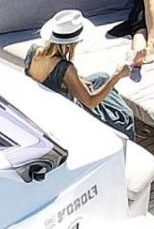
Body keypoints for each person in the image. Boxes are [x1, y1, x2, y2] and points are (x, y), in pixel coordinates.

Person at [25, 10, 140, 140]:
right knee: (124, 116)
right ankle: (126, 143)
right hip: (65, 111)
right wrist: (117, 76)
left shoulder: (33, 51)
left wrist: (76, 81)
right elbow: (91, 102)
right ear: (70, 43)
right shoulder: (66, 68)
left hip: (47, 102)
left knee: (101, 77)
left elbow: (50, 79)